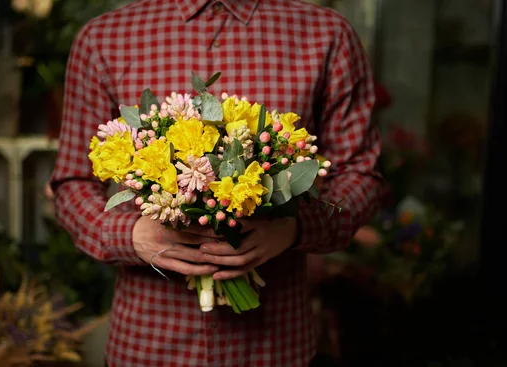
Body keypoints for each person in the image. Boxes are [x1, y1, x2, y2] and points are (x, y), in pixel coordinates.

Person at [50, 0, 382, 365]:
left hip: (275, 347)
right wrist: (131, 235)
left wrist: (293, 229)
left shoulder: (325, 34)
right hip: (149, 343)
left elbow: (359, 176)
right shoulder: (104, 38)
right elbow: (73, 181)